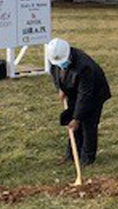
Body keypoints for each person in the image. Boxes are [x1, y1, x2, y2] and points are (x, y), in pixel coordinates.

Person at [48, 37, 112, 166]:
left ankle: (87, 158)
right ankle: (72, 154)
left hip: (94, 94)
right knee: (73, 124)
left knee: (88, 124)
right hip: (73, 91)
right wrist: (60, 88)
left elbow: (85, 95)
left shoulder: (84, 66)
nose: (61, 64)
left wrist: (77, 118)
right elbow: (55, 74)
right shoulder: (55, 58)